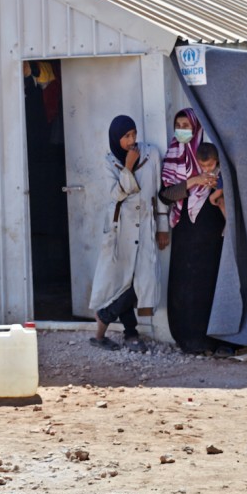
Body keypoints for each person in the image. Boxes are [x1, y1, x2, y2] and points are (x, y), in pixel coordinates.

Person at [88, 114, 169, 352]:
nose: (132, 140)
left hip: (145, 226)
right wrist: (129, 166)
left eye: (134, 134)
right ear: (116, 138)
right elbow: (116, 194)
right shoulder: (109, 161)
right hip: (120, 229)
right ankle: (130, 333)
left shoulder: (151, 154)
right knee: (121, 281)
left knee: (143, 279)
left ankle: (106, 317)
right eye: (126, 137)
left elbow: (158, 191)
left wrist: (162, 226)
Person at [160, 108, 233, 356]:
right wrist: (194, 181)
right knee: (186, 285)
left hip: (212, 233)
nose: (182, 129)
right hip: (185, 233)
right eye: (178, 125)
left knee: (211, 283)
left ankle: (216, 339)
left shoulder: (211, 154)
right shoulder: (172, 157)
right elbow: (165, 196)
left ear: (197, 128)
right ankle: (189, 340)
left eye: (187, 125)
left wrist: (214, 185)